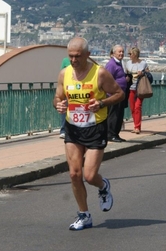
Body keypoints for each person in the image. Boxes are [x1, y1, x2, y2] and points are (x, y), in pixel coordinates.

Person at [53, 37, 125, 230]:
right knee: (74, 174)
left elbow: (119, 93)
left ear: (87, 55)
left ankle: (103, 187)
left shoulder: (99, 73)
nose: (74, 60)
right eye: (70, 56)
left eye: (77, 56)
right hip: (73, 127)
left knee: (90, 175)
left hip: (95, 127)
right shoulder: (64, 74)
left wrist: (101, 103)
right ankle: (84, 215)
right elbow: (58, 97)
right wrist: (58, 105)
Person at [105, 44, 128, 142]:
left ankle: (116, 134)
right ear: (114, 53)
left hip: (120, 95)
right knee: (113, 115)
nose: (121, 53)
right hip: (114, 95)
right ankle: (111, 134)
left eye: (122, 52)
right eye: (119, 52)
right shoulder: (111, 64)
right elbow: (107, 79)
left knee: (119, 115)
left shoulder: (119, 63)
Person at [125, 47, 148, 134]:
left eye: (130, 54)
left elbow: (149, 75)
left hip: (140, 89)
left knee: (137, 107)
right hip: (131, 88)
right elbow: (126, 74)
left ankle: (137, 127)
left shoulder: (143, 64)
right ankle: (135, 125)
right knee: (132, 108)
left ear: (134, 54)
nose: (129, 56)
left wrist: (143, 73)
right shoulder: (128, 64)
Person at [59, 57, 71, 139]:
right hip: (66, 89)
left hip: (76, 89)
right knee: (64, 109)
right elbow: (62, 73)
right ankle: (63, 130)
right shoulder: (65, 60)